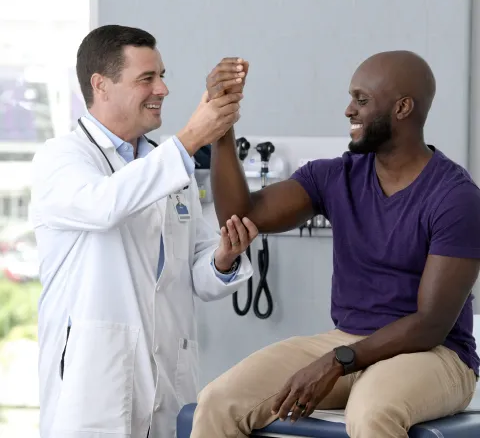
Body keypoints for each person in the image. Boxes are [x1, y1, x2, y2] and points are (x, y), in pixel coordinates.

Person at [191, 51, 480, 438]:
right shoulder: (336, 176)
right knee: (218, 401)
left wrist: (338, 360)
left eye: (362, 100)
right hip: (348, 342)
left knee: (371, 412)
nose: (348, 110)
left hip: (435, 355)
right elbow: (241, 215)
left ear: (402, 108)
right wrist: (222, 127)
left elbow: (430, 325)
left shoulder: (456, 198)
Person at [30, 25, 259, 438]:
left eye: (163, 75)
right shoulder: (60, 159)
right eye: (147, 79)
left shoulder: (169, 166)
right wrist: (190, 139)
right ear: (101, 86)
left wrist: (223, 258)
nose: (163, 89)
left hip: (168, 383)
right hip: (93, 388)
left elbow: (199, 274)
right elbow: (105, 205)